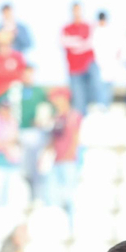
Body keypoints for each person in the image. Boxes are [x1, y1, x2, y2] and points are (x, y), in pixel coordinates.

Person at [41, 89, 83, 226]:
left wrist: (69, 155)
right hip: (57, 160)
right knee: (52, 195)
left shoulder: (73, 116)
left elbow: (75, 138)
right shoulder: (58, 117)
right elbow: (53, 139)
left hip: (68, 161)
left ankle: (72, 226)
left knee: (70, 196)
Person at [0, 97, 23, 211]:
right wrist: (6, 143)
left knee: (10, 197)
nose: (6, 111)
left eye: (8, 108)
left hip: (12, 163)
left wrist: (1, 143)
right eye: (3, 108)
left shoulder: (13, 123)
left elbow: (16, 141)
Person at [61, 3, 98, 114]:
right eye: (75, 10)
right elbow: (65, 42)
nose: (77, 12)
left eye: (79, 10)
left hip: (88, 66)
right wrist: (81, 43)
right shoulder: (66, 28)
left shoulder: (88, 26)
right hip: (74, 69)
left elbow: (90, 43)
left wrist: (76, 42)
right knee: (79, 101)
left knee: (96, 89)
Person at [0, 29, 27, 106]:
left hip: (15, 96)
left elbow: (24, 76)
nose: (2, 47)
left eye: (5, 44)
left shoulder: (18, 57)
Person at [91, 10, 123, 112]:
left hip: (110, 66)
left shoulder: (111, 31)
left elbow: (118, 50)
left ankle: (105, 108)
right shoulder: (95, 31)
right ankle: (101, 108)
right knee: (99, 89)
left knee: (107, 90)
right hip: (98, 65)